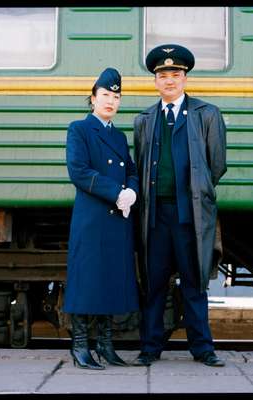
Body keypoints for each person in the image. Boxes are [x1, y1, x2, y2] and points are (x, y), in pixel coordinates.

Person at [132, 44, 227, 367]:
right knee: (154, 284)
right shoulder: (144, 119)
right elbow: (141, 163)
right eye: (163, 75)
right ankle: (149, 348)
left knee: (194, 283)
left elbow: (217, 164)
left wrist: (196, 193)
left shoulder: (207, 114)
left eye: (175, 74)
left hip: (191, 215)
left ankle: (203, 349)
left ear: (185, 78)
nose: (169, 80)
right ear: (155, 81)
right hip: (156, 215)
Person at [63, 67, 139, 370]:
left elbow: (131, 170)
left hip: (117, 218)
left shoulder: (119, 137)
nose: (111, 101)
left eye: (116, 97)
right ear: (93, 98)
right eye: (105, 95)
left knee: (109, 279)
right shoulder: (79, 129)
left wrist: (131, 191)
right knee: (86, 280)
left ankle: (106, 346)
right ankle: (80, 346)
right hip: (92, 218)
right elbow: (79, 171)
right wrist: (116, 192)